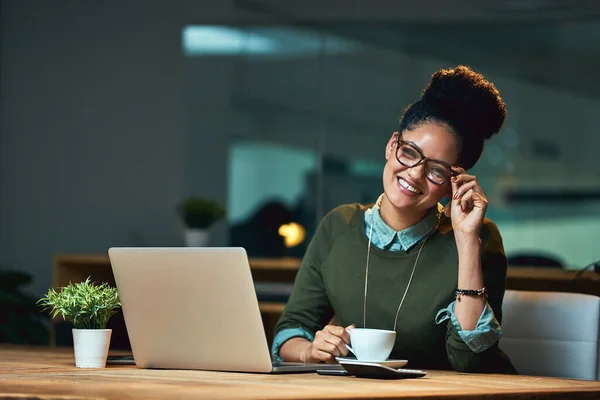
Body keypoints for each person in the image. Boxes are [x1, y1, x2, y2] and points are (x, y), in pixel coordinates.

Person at [271, 65, 517, 373]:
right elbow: (290, 331)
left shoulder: (479, 238)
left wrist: (467, 240)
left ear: (455, 181)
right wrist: (309, 351)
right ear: (392, 146)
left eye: (437, 170)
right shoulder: (339, 226)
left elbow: (471, 360)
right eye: (410, 153)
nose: (415, 174)